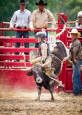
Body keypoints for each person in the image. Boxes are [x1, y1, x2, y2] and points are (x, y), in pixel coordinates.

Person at [69, 28, 82, 95]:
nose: (72, 36)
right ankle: (79, 90)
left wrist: (72, 59)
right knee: (77, 76)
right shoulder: (75, 42)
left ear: (76, 35)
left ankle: (76, 92)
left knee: (75, 76)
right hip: (77, 60)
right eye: (72, 35)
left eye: (74, 35)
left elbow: (74, 52)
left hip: (77, 60)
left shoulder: (76, 42)